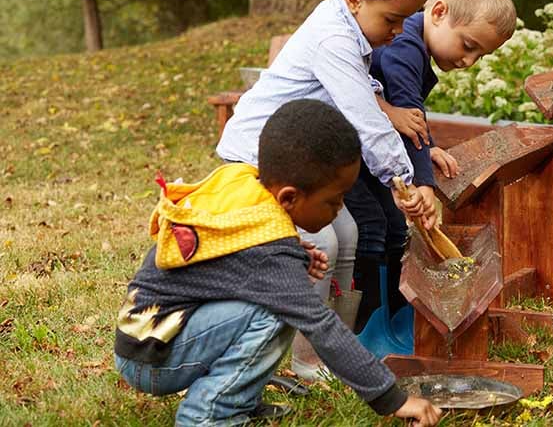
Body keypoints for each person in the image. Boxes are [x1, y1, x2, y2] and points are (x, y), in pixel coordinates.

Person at [114, 99, 442, 426]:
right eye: (333, 200)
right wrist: (393, 399)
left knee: (271, 301)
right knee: (274, 313)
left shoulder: (242, 179)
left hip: (144, 336)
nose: (340, 210)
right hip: (154, 358)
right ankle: (209, 414)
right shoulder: (271, 251)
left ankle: (237, 401)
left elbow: (231, 256)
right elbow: (323, 328)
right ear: (288, 198)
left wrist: (295, 253)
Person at [214, 0, 437, 377]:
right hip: (257, 160)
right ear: (355, 0)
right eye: (391, 20)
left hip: (299, 162)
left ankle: (337, 345)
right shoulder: (333, 36)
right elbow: (363, 119)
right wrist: (403, 182)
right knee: (320, 242)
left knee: (349, 236)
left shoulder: (347, 25)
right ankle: (303, 358)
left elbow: (361, 90)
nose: (398, 32)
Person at [349, 0, 517, 330]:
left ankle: (395, 318)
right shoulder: (404, 47)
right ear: (438, 12)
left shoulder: (414, 44)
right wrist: (423, 182)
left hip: (373, 155)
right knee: (372, 227)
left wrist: (430, 148)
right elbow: (409, 112)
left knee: (395, 228)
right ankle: (360, 326)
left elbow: (405, 116)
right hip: (343, 155)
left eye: (480, 56)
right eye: (468, 45)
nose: (468, 61)